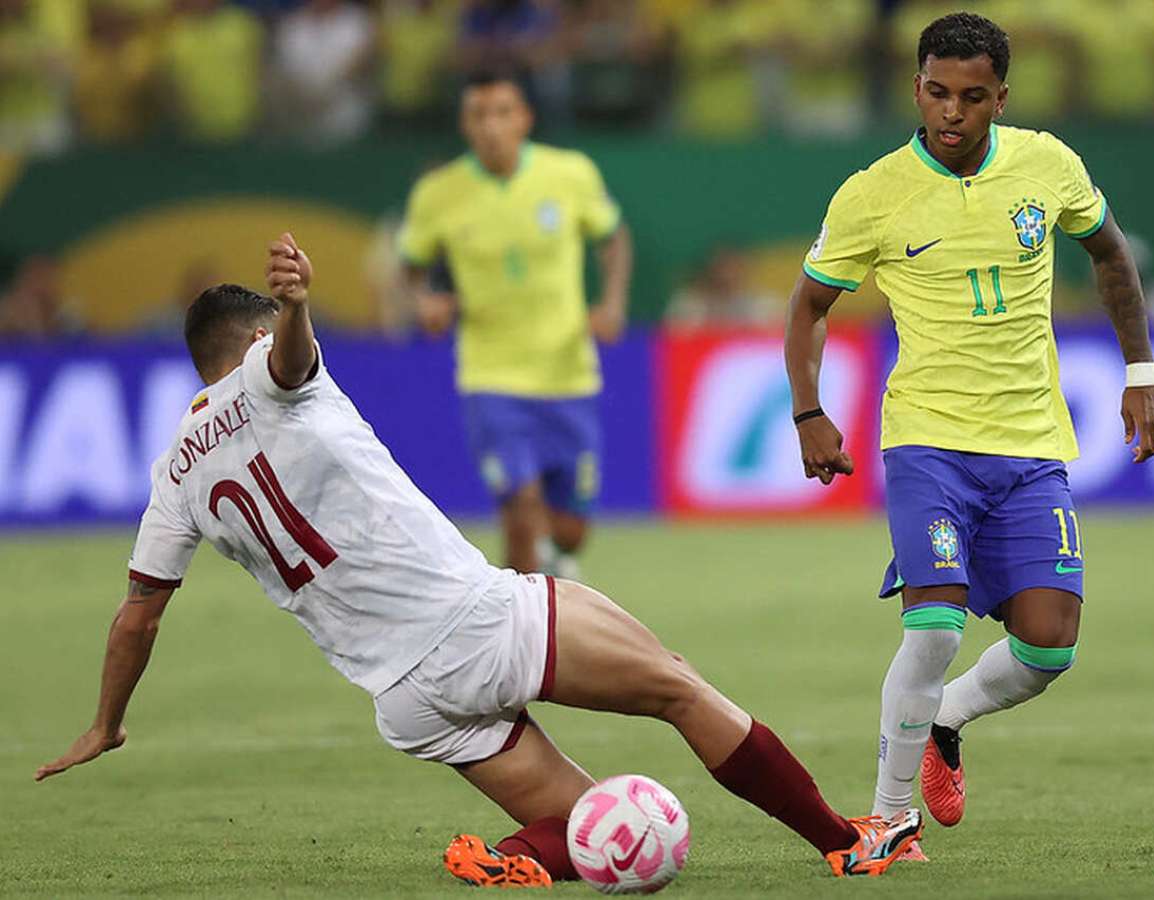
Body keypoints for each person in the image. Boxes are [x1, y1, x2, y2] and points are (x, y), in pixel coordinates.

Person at [35, 234, 922, 885]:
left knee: (586, 830)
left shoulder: (173, 478)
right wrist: (298, 305)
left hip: (406, 698)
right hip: (477, 619)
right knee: (680, 689)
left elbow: (138, 615)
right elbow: (293, 358)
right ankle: (844, 841)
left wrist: (107, 720)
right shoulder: (275, 370)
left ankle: (505, 860)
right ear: (254, 338)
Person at [784, 12, 1154, 862]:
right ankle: (888, 819)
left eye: (970, 96)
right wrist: (809, 412)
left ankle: (947, 719)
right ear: (915, 86)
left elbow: (1110, 256)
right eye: (935, 92)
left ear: (1001, 96)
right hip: (926, 439)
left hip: (1032, 446)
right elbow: (809, 306)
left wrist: (1140, 373)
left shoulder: (1048, 164)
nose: (950, 112)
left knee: (1046, 647)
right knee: (935, 628)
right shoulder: (872, 192)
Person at [399, 71, 632, 578]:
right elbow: (410, 264)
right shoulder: (438, 193)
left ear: (525, 118)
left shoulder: (570, 174)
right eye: (479, 115)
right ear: (465, 124)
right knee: (519, 503)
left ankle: (553, 566)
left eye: (503, 113)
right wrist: (425, 301)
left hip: (567, 372)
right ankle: (521, 633)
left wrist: (612, 303)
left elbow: (612, 238)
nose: (491, 127)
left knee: (571, 529)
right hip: (490, 375)